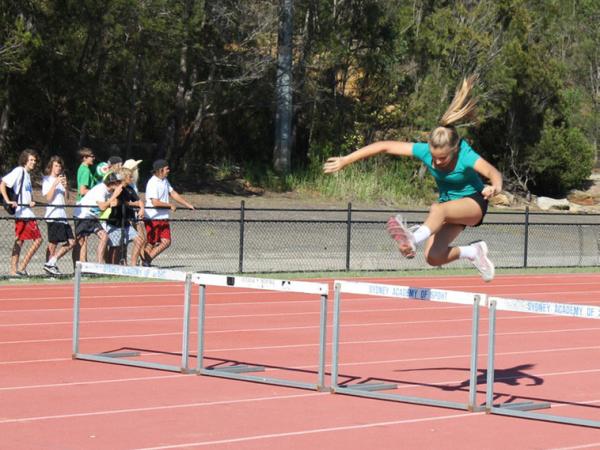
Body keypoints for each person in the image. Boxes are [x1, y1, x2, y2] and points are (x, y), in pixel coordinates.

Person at [323, 76, 502, 282]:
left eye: (442, 158)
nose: (437, 162)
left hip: (474, 203)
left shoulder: (465, 154)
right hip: (449, 208)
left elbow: (494, 173)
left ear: (454, 150)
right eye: (434, 157)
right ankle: (473, 252)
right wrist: (346, 160)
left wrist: (494, 187)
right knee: (433, 257)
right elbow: (384, 145)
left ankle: (413, 238)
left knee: (438, 209)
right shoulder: (425, 151)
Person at [142, 159, 194, 266]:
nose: (168, 170)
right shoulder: (152, 182)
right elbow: (155, 202)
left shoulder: (165, 180)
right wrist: (170, 205)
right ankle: (145, 263)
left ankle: (146, 261)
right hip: (152, 217)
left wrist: (187, 204)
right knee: (151, 242)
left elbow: (173, 193)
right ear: (160, 170)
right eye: (167, 169)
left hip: (163, 217)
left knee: (166, 241)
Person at [0, 149, 43, 277]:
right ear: (25, 160)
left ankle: (16, 269)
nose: (33, 162)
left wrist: (31, 201)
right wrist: (8, 201)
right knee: (36, 240)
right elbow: (3, 184)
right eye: (31, 160)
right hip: (22, 213)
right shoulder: (19, 171)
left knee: (20, 240)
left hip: (27, 211)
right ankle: (19, 268)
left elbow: (25, 194)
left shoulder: (27, 175)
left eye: (35, 160)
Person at [73, 172, 123, 264]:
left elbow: (112, 204)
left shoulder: (109, 192)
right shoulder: (101, 189)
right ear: (111, 183)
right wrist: (114, 195)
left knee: (104, 236)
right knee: (81, 241)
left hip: (93, 217)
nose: (119, 185)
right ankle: (79, 267)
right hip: (83, 216)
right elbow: (103, 207)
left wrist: (114, 198)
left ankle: (99, 264)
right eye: (118, 182)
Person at [42, 156, 75, 275]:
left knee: (71, 242)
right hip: (53, 215)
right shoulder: (47, 180)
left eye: (60, 166)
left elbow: (67, 200)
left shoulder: (62, 180)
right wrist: (54, 184)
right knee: (53, 244)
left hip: (62, 215)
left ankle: (51, 263)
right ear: (51, 166)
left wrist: (66, 187)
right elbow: (48, 198)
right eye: (56, 165)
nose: (58, 168)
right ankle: (49, 267)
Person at [104, 167, 145, 266]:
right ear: (124, 177)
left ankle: (133, 265)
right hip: (115, 222)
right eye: (130, 176)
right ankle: (109, 268)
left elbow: (139, 201)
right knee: (115, 248)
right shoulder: (117, 188)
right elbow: (115, 202)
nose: (132, 178)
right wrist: (130, 204)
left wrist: (142, 208)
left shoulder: (130, 189)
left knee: (139, 240)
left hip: (126, 223)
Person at [74, 147, 100, 264]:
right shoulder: (84, 170)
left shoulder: (87, 169)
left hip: (86, 207)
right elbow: (82, 190)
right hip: (83, 207)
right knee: (82, 238)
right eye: (91, 156)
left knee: (83, 238)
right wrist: (95, 192)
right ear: (84, 158)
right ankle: (82, 265)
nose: (93, 158)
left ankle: (83, 264)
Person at [123, 159, 146, 265]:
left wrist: (140, 206)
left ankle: (138, 262)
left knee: (141, 238)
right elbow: (125, 202)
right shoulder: (126, 184)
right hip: (127, 214)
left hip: (135, 213)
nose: (138, 169)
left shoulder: (133, 183)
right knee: (126, 240)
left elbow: (137, 199)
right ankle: (125, 262)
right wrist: (137, 204)